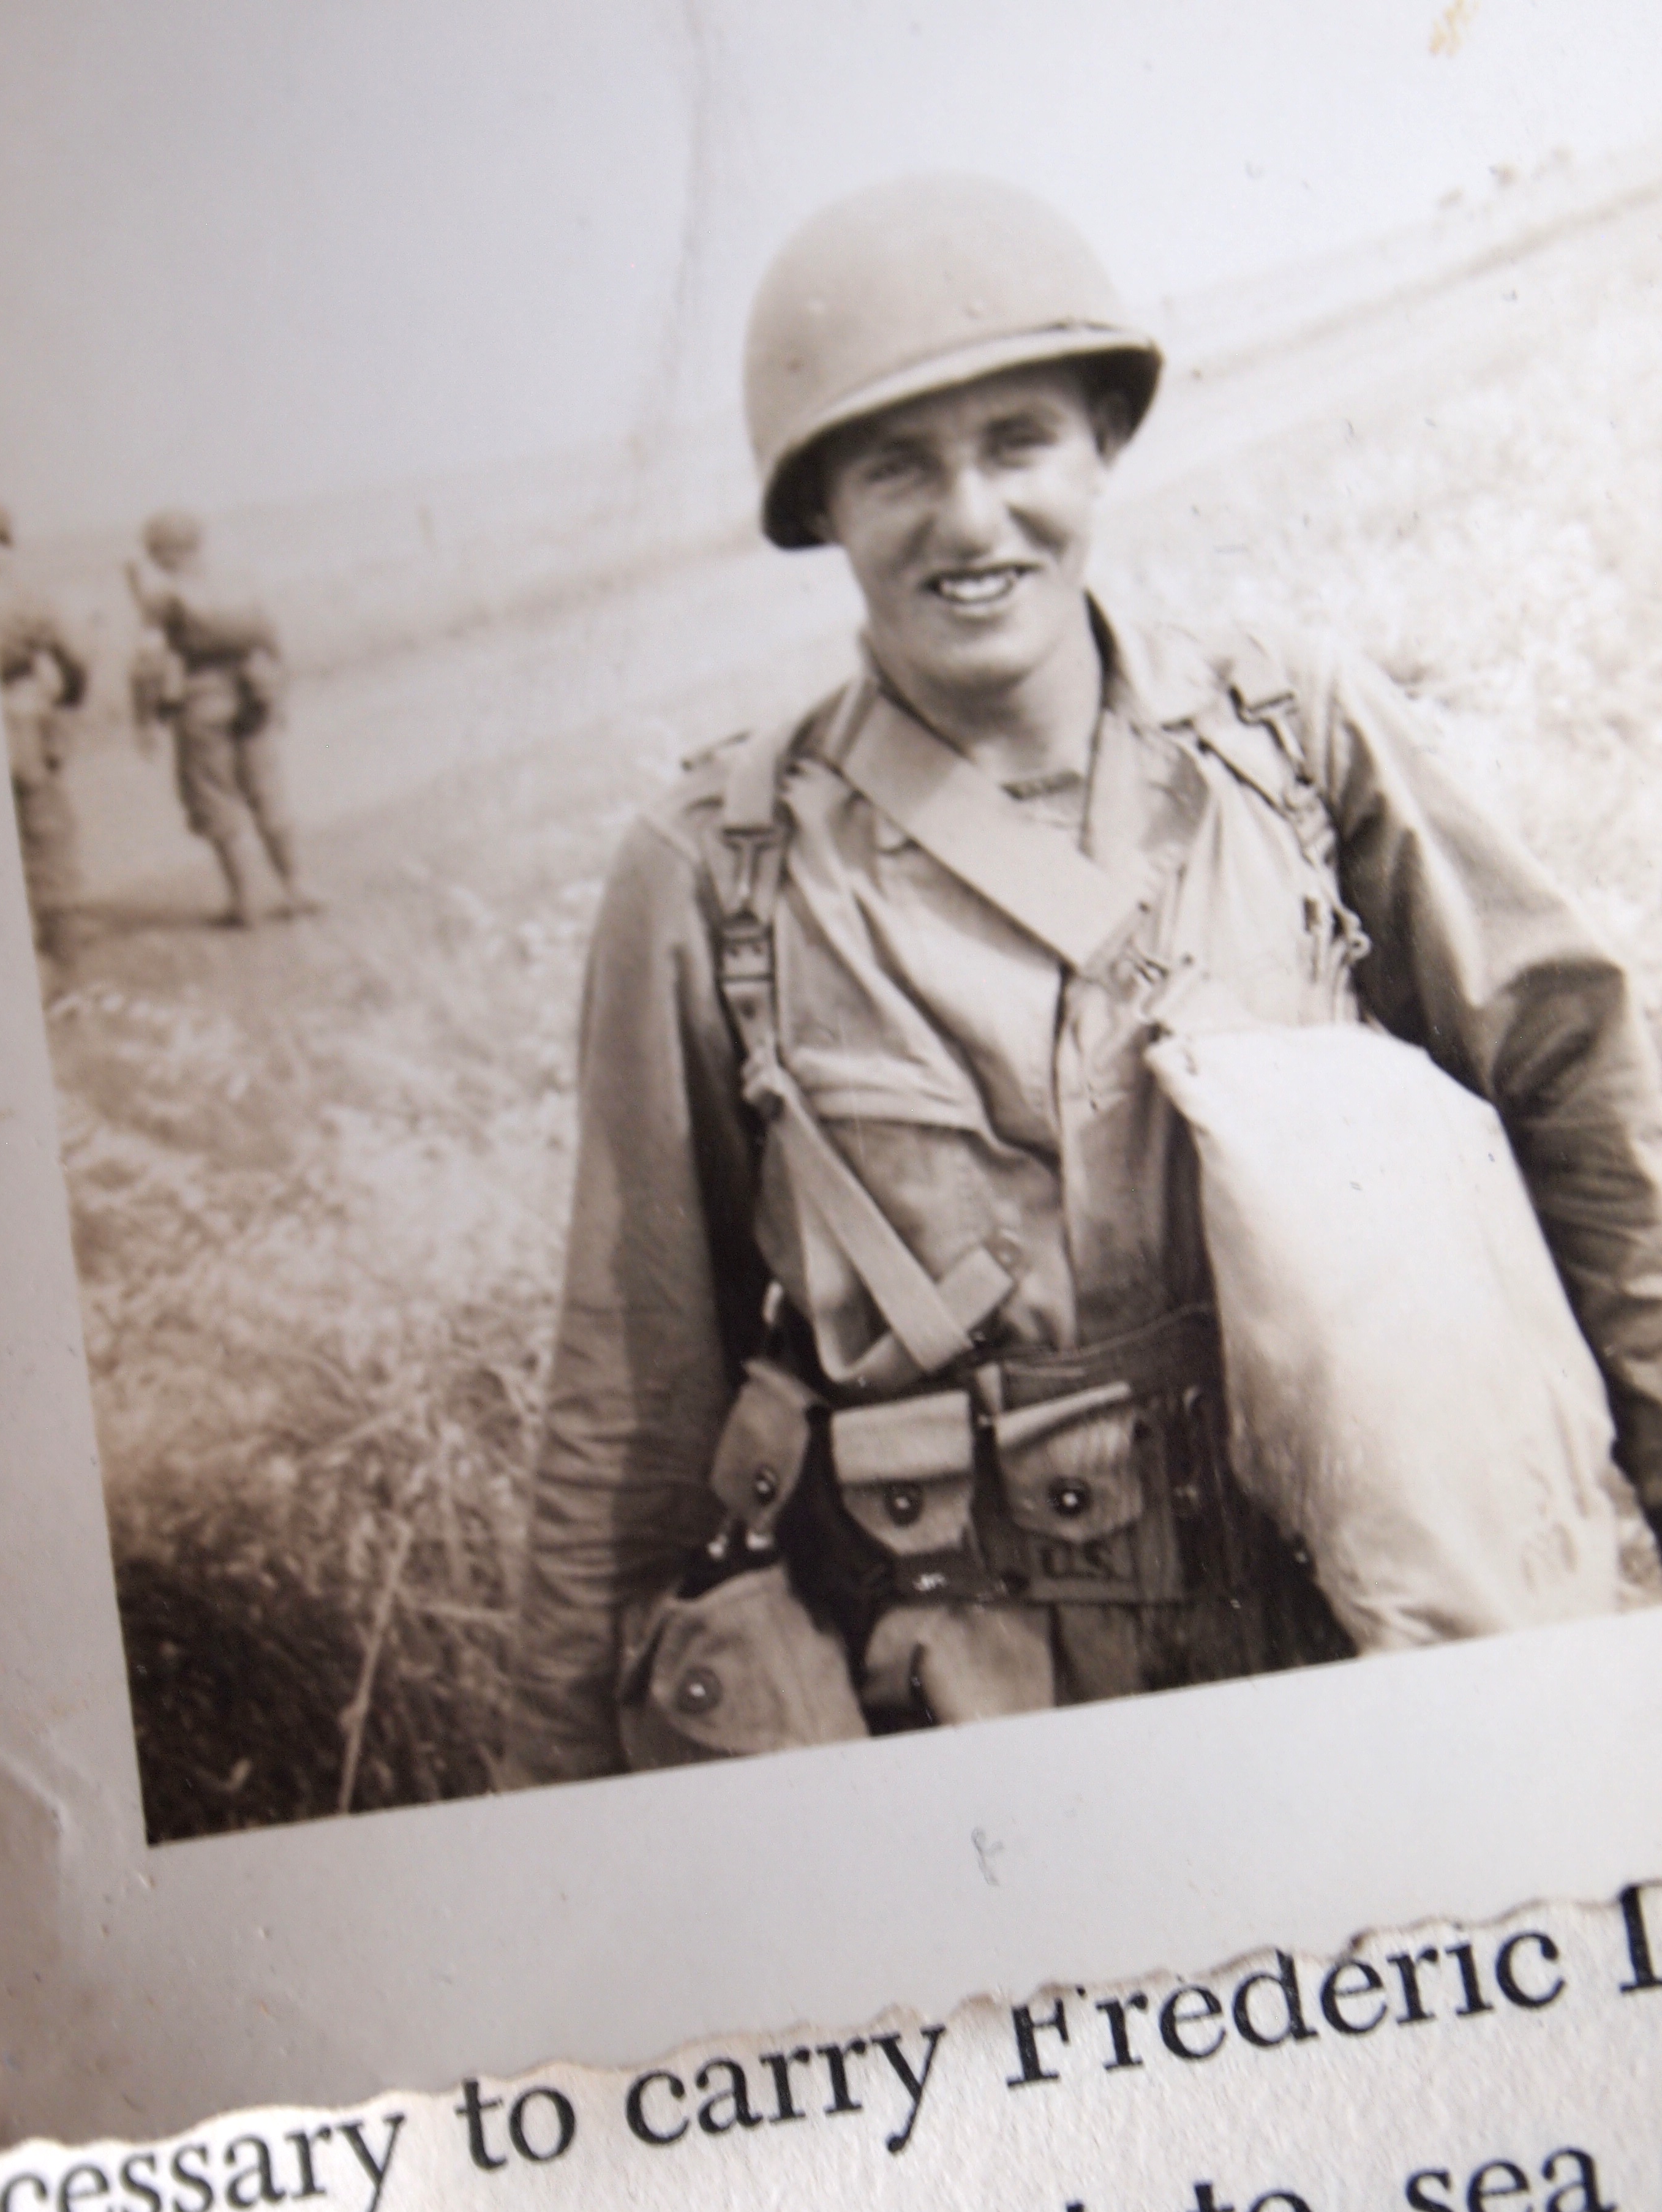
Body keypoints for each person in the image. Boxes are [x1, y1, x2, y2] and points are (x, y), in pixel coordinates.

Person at [505, 172, 1662, 1786]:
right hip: (977, 1731)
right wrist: (555, 1820)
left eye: (1019, 444)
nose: (971, 520)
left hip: (1366, 1641)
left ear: (1104, 442)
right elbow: (629, 1409)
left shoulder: (1292, 748)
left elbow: (1584, 1103)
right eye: (897, 466)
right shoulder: (715, 877)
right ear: (823, 504)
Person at [127, 509, 320, 925]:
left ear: (161, 552)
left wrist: (144, 720)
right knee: (268, 793)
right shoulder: (238, 582)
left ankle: (244, 902)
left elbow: (148, 663)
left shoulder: (163, 598)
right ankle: (297, 887)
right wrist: (279, 695)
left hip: (201, 700)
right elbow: (272, 640)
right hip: (254, 693)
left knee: (214, 799)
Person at [0, 497, 89, 982]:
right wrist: (69, 699)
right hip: (22, 717)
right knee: (46, 835)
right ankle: (64, 961)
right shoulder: (19, 584)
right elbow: (73, 655)